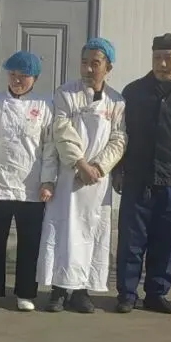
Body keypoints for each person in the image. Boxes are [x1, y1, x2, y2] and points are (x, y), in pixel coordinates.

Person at [115, 33, 171, 314]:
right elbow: (120, 134)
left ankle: (156, 293)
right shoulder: (134, 91)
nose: (162, 63)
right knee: (131, 241)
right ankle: (127, 294)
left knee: (164, 241)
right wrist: (118, 169)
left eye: (169, 58)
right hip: (137, 177)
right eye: (157, 57)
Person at [39, 38, 127, 313]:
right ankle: (58, 290)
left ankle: (81, 292)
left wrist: (99, 167)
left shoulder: (116, 101)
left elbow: (119, 138)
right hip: (69, 176)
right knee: (63, 230)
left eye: (95, 63)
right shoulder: (66, 94)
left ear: (108, 67)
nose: (88, 69)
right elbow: (61, 131)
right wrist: (80, 164)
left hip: (97, 183)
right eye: (84, 62)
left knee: (91, 233)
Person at [0, 50, 52, 312]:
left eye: (23, 76)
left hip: (32, 186)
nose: (17, 80)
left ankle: (26, 292)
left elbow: (50, 147)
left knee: (30, 242)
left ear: (35, 78)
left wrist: (48, 180)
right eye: (13, 75)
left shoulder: (45, 105)